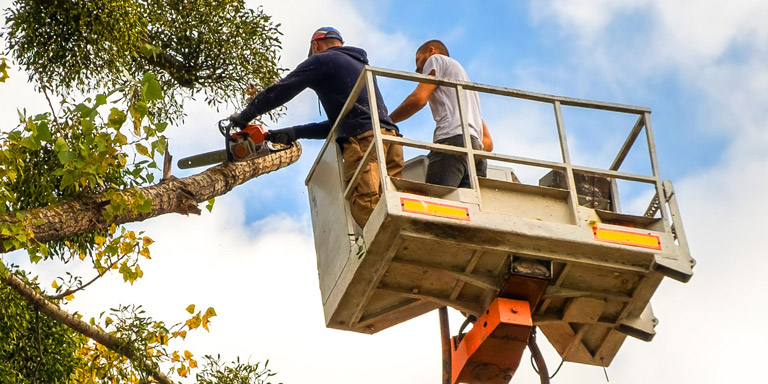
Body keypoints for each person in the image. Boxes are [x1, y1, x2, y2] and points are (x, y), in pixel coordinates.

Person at [230, 27, 403, 228]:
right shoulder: (359, 65)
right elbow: (340, 124)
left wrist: (245, 116)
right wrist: (295, 132)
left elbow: (282, 90)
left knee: (367, 205)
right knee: (393, 204)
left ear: (316, 45)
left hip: (365, 143)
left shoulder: (321, 60)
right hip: (390, 140)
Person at [389, 40, 492, 188]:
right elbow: (487, 142)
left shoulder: (436, 59)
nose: (417, 69)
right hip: (477, 155)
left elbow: (418, 100)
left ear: (431, 51)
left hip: (452, 143)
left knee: (438, 206)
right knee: (464, 208)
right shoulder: (468, 91)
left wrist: (387, 120)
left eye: (418, 61)